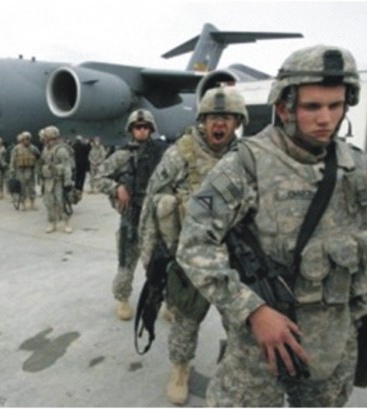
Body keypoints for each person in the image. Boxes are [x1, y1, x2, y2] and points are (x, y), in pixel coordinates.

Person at [175, 45, 367, 406]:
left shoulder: (356, 164)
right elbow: (194, 244)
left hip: (334, 338)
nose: (326, 118)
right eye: (312, 106)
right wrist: (253, 311)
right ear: (284, 108)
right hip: (261, 343)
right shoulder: (246, 165)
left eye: (335, 105)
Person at [138, 85, 248, 405]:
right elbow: (152, 202)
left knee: (240, 322)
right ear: (203, 120)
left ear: (237, 122)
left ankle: (233, 370)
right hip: (191, 256)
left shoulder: (246, 157)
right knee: (186, 321)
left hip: (234, 257)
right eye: (213, 117)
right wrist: (150, 256)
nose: (219, 123)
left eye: (227, 117)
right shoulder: (181, 153)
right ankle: (180, 371)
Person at [93, 109, 167, 320]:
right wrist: (116, 188)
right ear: (131, 130)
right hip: (131, 218)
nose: (142, 130)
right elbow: (98, 178)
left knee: (160, 263)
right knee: (126, 263)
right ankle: (123, 299)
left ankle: (166, 301)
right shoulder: (121, 156)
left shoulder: (163, 154)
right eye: (137, 127)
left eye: (145, 127)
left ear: (151, 129)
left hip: (155, 219)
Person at [39, 126, 75, 233]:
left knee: (61, 202)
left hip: (59, 181)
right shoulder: (45, 149)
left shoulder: (61, 150)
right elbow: (43, 162)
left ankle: (66, 223)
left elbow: (67, 166)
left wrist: (68, 182)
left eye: (45, 136)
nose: (43, 138)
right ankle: (52, 222)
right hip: (48, 180)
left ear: (51, 136)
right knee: (49, 202)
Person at [10, 131, 41, 210]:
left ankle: (33, 202)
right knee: (22, 187)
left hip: (30, 169)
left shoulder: (33, 148)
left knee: (31, 186)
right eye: (25, 139)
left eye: (28, 139)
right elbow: (13, 160)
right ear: (22, 140)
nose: (26, 141)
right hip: (20, 170)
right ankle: (23, 203)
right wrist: (12, 169)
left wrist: (37, 168)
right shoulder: (16, 148)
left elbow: (38, 157)